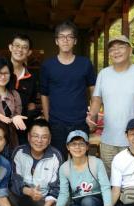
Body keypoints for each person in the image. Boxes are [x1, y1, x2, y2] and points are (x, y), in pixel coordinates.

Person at [87, 35, 134, 177]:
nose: (116, 51)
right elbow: (97, 98)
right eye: (112, 49)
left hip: (133, 140)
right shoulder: (104, 74)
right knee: (111, 181)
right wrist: (91, 117)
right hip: (107, 140)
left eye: (121, 47)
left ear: (130, 50)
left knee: (132, 181)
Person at [40, 21, 96, 159]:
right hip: (56, 123)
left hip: (80, 121)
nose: (65, 40)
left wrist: (92, 116)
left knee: (81, 160)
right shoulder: (48, 65)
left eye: (69, 37)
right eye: (61, 36)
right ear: (56, 41)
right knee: (58, 160)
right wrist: (48, 119)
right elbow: (44, 94)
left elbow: (94, 92)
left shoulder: (85, 63)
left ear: (75, 41)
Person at [49, 130, 112, 206]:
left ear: (87, 147)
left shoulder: (96, 163)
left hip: (95, 200)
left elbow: (105, 187)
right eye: (73, 144)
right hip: (77, 201)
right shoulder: (64, 168)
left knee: (87, 202)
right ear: (68, 147)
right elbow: (64, 193)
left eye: (81, 144)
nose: (77, 147)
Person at [10, 118, 63, 206]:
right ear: (29, 137)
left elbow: (56, 188)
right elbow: (14, 181)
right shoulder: (19, 152)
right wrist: (30, 192)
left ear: (49, 139)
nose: (39, 141)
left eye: (44, 137)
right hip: (23, 195)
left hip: (44, 199)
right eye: (35, 136)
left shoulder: (55, 156)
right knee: (7, 195)